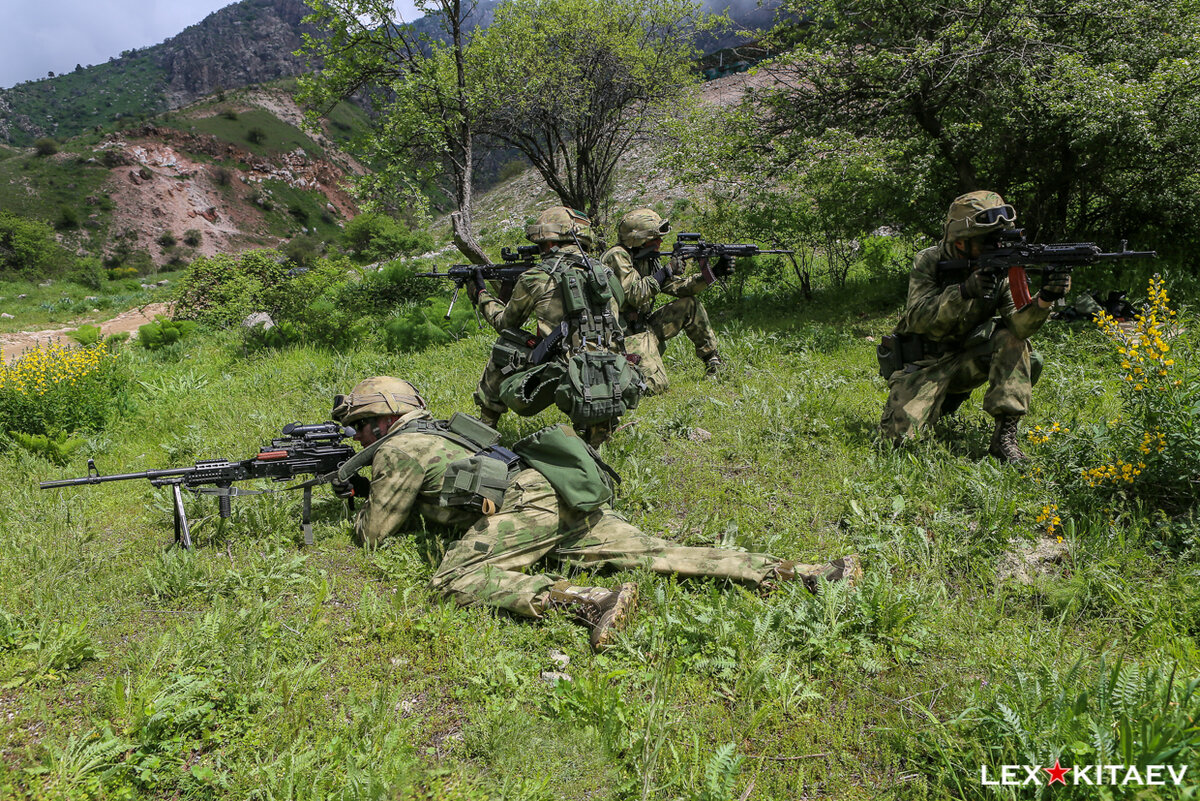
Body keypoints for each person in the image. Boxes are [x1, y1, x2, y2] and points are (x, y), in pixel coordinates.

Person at [331, 376, 863, 650]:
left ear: (383, 419)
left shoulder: (397, 450)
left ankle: (588, 601)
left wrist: (358, 506)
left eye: (359, 426)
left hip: (524, 504)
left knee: (452, 579)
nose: (357, 437)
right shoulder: (446, 429)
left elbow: (377, 535)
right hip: (558, 491)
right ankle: (810, 573)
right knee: (654, 551)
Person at [878, 190, 1070, 461]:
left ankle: (1005, 438)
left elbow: (1020, 327)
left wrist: (1044, 300)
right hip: (925, 363)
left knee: (1015, 343)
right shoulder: (930, 261)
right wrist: (964, 291)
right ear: (960, 243)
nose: (998, 246)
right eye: (988, 241)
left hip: (968, 358)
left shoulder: (1003, 268)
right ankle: (942, 401)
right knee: (898, 444)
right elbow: (917, 318)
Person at [470, 206, 641, 445]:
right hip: (614, 373)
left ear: (550, 243)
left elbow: (505, 323)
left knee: (504, 349)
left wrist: (482, 295)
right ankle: (598, 431)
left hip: (565, 373)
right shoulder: (605, 274)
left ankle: (484, 428)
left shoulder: (536, 277)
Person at [601, 208, 723, 393]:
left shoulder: (648, 258)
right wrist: (664, 272)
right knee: (655, 386)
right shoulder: (617, 257)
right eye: (654, 238)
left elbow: (679, 288)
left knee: (689, 304)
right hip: (622, 336)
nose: (660, 242)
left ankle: (713, 361)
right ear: (638, 239)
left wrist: (713, 273)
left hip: (643, 327)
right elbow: (634, 296)